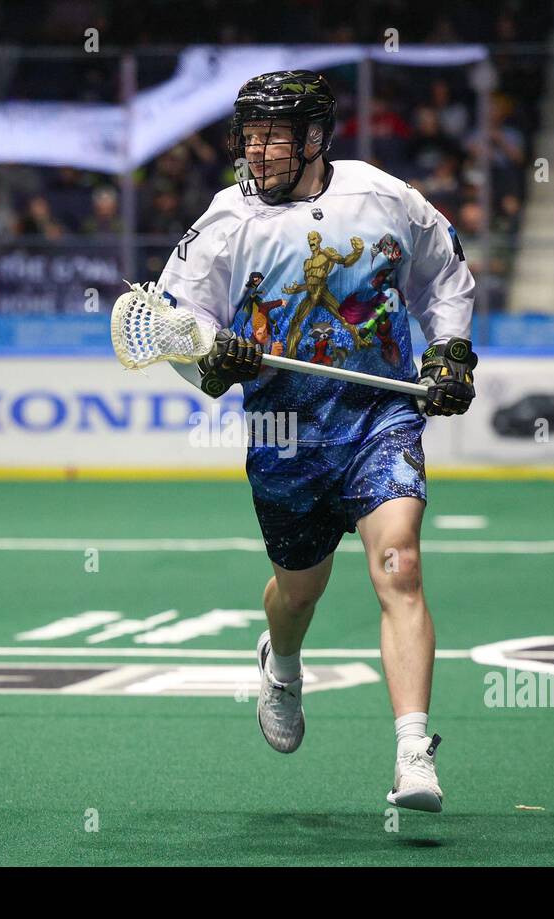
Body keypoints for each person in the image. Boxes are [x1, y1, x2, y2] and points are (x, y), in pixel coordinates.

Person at [155, 71, 477, 811]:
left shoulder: (383, 196)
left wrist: (450, 351)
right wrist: (210, 357)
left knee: (399, 566)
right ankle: (284, 661)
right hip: (285, 432)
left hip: (378, 416)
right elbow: (172, 321)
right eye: (250, 134)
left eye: (274, 135)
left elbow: (446, 275)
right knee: (298, 591)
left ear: (314, 139)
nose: (257, 150)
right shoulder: (224, 220)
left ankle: (413, 754)